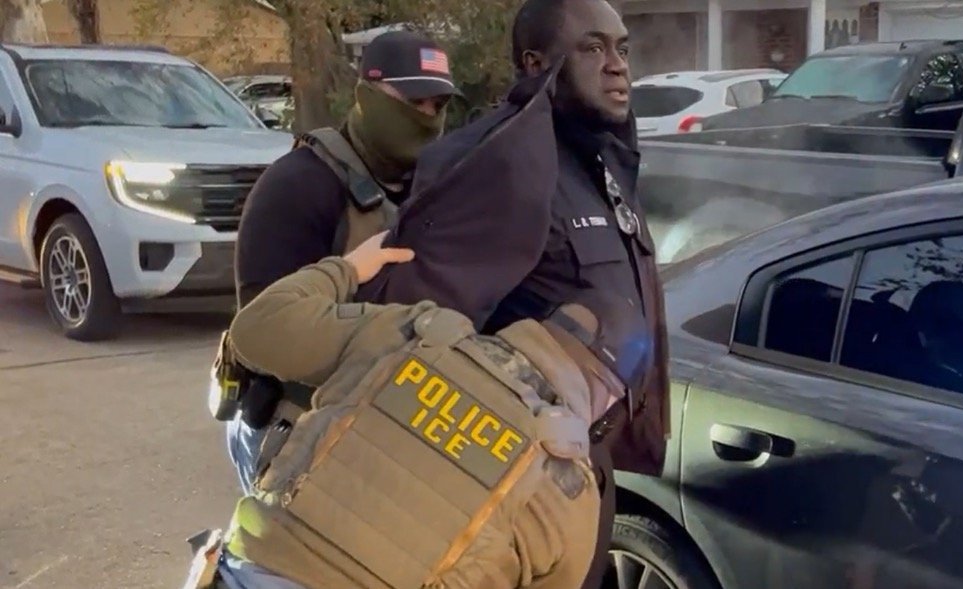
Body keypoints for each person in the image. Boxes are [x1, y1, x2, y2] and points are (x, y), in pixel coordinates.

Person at [354, 0, 670, 586]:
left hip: (580, 467)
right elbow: (412, 330)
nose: (618, 65)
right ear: (535, 63)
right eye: (593, 48)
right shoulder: (494, 161)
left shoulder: (599, 159)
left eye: (623, 48)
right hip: (506, 487)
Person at [183, 229, 649, 589]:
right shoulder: (571, 491)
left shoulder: (419, 333)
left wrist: (347, 268)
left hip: (251, 572)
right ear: (607, 396)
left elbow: (258, 329)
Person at [214, 28, 460, 493]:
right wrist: (349, 275)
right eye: (413, 102)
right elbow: (264, 334)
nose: (428, 117)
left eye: (438, 104)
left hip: (382, 424)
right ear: (367, 95)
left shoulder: (429, 186)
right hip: (291, 425)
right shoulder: (298, 185)